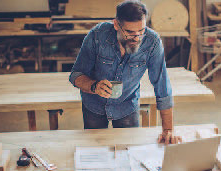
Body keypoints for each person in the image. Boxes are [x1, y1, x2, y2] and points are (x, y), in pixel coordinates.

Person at [69, 1, 181, 144]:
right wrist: (94, 86)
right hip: (94, 104)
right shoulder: (97, 36)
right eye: (130, 32)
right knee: (94, 149)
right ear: (116, 25)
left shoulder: (152, 43)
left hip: (127, 104)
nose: (137, 38)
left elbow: (162, 87)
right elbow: (76, 75)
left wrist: (168, 130)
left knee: (130, 151)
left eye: (141, 31)